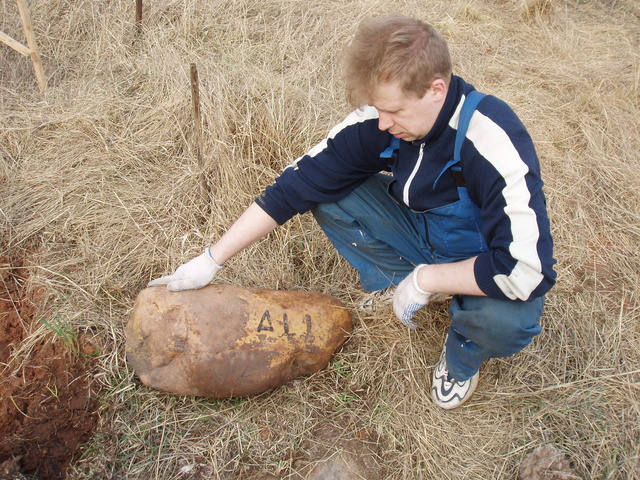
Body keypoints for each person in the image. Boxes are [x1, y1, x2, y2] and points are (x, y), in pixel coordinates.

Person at [149, 15, 556, 409]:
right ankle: (396, 284)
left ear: (435, 89)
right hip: (423, 232)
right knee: (327, 191)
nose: (382, 123)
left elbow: (527, 270)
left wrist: (428, 277)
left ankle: (461, 356)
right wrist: (211, 259)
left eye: (394, 111)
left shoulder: (491, 141)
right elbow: (294, 186)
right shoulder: (381, 121)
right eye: (377, 109)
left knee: (509, 322)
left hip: (479, 257)